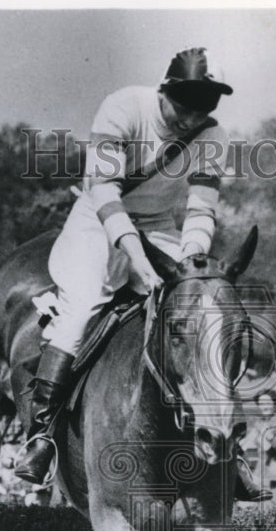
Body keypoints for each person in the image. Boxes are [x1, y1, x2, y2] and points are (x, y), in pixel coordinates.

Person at [15, 47, 235, 485]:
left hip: (157, 226)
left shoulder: (214, 136)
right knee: (83, 305)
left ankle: (227, 442)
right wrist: (136, 258)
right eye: (184, 105)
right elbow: (106, 192)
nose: (192, 118)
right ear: (164, 90)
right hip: (97, 220)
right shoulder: (122, 107)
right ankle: (42, 435)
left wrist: (191, 263)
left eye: (205, 107)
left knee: (203, 306)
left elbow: (201, 210)